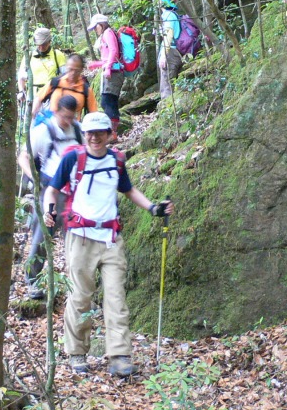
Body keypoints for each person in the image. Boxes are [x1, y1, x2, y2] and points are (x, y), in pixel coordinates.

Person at [42, 111, 173, 377]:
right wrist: (49, 210)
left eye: (100, 132)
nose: (94, 137)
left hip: (111, 238)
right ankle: (77, 353)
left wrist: (152, 208)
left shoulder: (117, 161)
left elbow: (128, 190)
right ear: (84, 134)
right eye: (90, 133)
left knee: (116, 297)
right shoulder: (73, 158)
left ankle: (119, 355)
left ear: (109, 134)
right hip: (80, 238)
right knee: (80, 298)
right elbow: (52, 189)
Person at [18, 95, 82, 300]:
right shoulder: (44, 131)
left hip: (75, 193)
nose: (67, 121)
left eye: (71, 117)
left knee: (76, 240)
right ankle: (32, 281)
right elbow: (23, 157)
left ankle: (77, 287)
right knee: (42, 236)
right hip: (50, 191)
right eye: (64, 116)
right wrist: (34, 179)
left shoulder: (79, 130)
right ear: (56, 112)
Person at [86, 14, 126, 140]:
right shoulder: (106, 34)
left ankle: (112, 134)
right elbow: (108, 56)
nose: (95, 30)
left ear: (101, 25)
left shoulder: (108, 33)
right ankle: (112, 133)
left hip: (113, 74)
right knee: (109, 102)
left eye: (95, 27)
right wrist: (97, 64)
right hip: (111, 72)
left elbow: (114, 51)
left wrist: (108, 67)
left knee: (108, 102)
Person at [34, 53, 98, 119]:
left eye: (76, 71)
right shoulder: (56, 82)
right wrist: (33, 115)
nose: (73, 73)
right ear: (66, 67)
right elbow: (39, 98)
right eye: (70, 69)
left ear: (81, 70)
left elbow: (94, 113)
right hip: (52, 123)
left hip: (73, 125)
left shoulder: (86, 90)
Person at [18, 27, 66, 104]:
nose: (41, 47)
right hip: (32, 96)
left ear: (49, 41)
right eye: (38, 44)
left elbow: (66, 75)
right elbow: (21, 77)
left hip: (52, 96)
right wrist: (21, 91)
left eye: (44, 44)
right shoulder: (29, 56)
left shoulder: (57, 54)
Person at [155, 0, 182, 98]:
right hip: (173, 52)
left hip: (170, 52)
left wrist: (163, 55)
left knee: (167, 87)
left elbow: (169, 35)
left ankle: (167, 112)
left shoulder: (168, 15)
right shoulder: (172, 15)